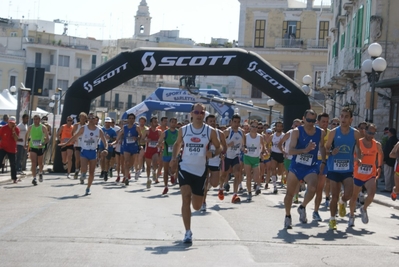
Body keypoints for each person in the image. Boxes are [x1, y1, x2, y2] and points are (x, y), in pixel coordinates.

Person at [170, 103, 221, 243]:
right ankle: (187, 232)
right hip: (185, 168)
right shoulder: (184, 130)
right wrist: (174, 158)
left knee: (196, 206)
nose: (199, 115)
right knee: (185, 198)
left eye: (202, 112)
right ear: (191, 114)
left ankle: (197, 195)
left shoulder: (209, 131)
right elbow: (177, 144)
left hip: (200, 171)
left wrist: (214, 153)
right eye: (197, 112)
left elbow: (219, 147)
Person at [284, 110, 326, 229]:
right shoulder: (297, 132)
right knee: (290, 194)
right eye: (308, 120)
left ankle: (302, 206)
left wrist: (323, 161)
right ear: (303, 118)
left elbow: (322, 146)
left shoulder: (320, 132)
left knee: (313, 187)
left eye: (313, 121)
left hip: (311, 166)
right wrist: (304, 150)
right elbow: (290, 150)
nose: (311, 123)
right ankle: (287, 216)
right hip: (296, 166)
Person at [325, 107, 361, 230]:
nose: (343, 119)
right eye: (342, 116)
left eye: (346, 117)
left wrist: (359, 158)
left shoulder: (355, 133)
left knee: (349, 194)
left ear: (351, 119)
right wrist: (331, 152)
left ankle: (342, 202)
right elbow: (326, 149)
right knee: (333, 196)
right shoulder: (334, 132)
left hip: (347, 169)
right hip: (333, 168)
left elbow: (358, 148)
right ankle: (332, 219)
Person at [59, 113, 108, 195]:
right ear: (87, 119)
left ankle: (88, 188)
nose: (91, 120)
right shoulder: (83, 128)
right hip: (84, 151)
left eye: (93, 118)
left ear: (96, 120)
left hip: (93, 152)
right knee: (84, 168)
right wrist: (65, 144)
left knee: (92, 172)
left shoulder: (99, 130)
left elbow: (104, 141)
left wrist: (106, 149)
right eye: (89, 118)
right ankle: (83, 174)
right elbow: (74, 137)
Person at [348, 123, 383, 227]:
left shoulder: (377, 144)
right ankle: (351, 215)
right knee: (354, 197)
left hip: (370, 174)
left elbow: (380, 154)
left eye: (373, 133)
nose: (370, 135)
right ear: (364, 131)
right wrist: (356, 160)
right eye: (369, 132)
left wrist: (379, 167)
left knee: (371, 195)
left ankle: (363, 208)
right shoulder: (357, 143)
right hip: (358, 174)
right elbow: (350, 156)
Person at [202, 114, 227, 210]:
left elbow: (224, 146)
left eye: (214, 121)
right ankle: (203, 202)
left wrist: (222, 153)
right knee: (204, 182)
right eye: (210, 121)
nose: (212, 123)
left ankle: (209, 185)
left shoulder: (220, 133)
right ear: (206, 122)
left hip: (215, 161)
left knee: (214, 183)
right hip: (204, 161)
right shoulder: (203, 132)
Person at [221, 114, 245, 203]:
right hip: (227, 156)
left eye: (238, 122)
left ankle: (235, 194)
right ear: (231, 122)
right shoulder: (227, 132)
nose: (236, 124)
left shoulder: (241, 132)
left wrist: (244, 149)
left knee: (237, 173)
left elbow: (243, 145)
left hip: (236, 155)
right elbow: (219, 144)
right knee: (223, 175)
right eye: (234, 122)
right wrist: (227, 145)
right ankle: (221, 187)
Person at [313, 112, 330, 221]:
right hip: (312, 162)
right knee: (312, 188)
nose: (325, 124)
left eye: (327, 122)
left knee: (320, 188)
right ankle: (304, 205)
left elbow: (331, 148)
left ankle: (315, 211)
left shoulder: (331, 134)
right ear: (318, 122)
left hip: (325, 162)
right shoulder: (312, 132)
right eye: (323, 122)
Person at [114, 113, 140, 186]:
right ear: (128, 119)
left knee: (131, 164)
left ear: (134, 120)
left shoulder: (136, 127)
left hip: (134, 147)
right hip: (126, 147)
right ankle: (126, 178)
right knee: (127, 162)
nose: (131, 120)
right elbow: (119, 136)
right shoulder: (124, 127)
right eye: (130, 118)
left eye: (132, 118)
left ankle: (127, 173)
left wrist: (137, 138)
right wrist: (115, 142)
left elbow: (141, 136)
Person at [244, 120, 265, 201]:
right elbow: (243, 146)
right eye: (253, 126)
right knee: (248, 176)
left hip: (256, 158)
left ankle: (257, 185)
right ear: (250, 127)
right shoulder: (246, 136)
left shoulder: (260, 137)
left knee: (256, 177)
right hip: (247, 157)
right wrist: (244, 149)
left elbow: (262, 146)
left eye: (256, 127)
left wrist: (262, 153)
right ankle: (249, 192)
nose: (254, 128)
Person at [25, 115, 49, 185]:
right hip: (33, 147)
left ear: (40, 120)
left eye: (37, 119)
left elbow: (47, 138)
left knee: (40, 163)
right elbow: (26, 135)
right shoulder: (30, 127)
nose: (36, 121)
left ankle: (40, 173)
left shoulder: (43, 127)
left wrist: (43, 143)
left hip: (40, 147)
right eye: (34, 119)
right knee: (34, 162)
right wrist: (25, 143)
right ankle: (34, 178)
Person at [157, 117, 178, 195]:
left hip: (175, 154)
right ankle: (166, 186)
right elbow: (160, 141)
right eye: (172, 122)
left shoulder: (179, 132)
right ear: (170, 123)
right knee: (165, 171)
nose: (173, 123)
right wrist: (158, 144)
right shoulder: (165, 132)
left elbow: (182, 142)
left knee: (174, 168)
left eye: (175, 122)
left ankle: (172, 174)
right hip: (166, 154)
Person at [0, 116, 19, 183]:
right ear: (8, 122)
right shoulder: (3, 128)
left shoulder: (16, 129)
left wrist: (13, 131)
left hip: (12, 148)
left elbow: (16, 139)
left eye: (13, 123)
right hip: (3, 147)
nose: (11, 124)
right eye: (10, 123)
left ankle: (14, 178)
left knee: (13, 164)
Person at [144, 117, 162, 188]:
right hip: (148, 150)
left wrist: (160, 143)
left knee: (155, 163)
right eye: (154, 121)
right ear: (151, 123)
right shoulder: (147, 131)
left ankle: (154, 172)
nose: (156, 123)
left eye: (157, 121)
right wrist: (146, 140)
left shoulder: (159, 131)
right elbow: (142, 139)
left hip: (155, 150)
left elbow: (162, 140)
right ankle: (148, 179)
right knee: (148, 166)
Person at [99, 117, 117, 181]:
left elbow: (115, 139)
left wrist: (110, 138)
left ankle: (106, 172)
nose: (107, 123)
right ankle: (102, 170)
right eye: (106, 122)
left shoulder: (113, 131)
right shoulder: (101, 129)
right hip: (102, 145)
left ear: (110, 123)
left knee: (107, 161)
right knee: (102, 159)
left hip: (109, 147)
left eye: (108, 122)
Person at [270, 122, 285, 194]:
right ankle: (274, 186)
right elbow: (268, 144)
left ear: (282, 127)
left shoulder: (284, 136)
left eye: (280, 126)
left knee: (280, 172)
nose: (279, 127)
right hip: (274, 153)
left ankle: (278, 177)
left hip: (281, 154)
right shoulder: (272, 136)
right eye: (277, 126)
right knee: (273, 168)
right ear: (275, 127)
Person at [72, 112, 87, 179]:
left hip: (85, 145)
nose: (82, 120)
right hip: (77, 144)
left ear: (85, 119)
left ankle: (82, 172)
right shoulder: (76, 125)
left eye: (84, 118)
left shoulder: (87, 126)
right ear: (79, 118)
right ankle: (77, 169)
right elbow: (72, 133)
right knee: (77, 158)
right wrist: (74, 137)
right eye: (81, 118)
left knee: (83, 160)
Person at [382, 128, 398, 192]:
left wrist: (384, 159)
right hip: (395, 160)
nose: (387, 133)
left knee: (387, 174)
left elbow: (387, 151)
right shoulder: (396, 140)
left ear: (391, 133)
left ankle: (388, 188)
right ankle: (394, 187)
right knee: (393, 175)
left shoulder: (390, 140)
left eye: (388, 132)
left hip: (388, 160)